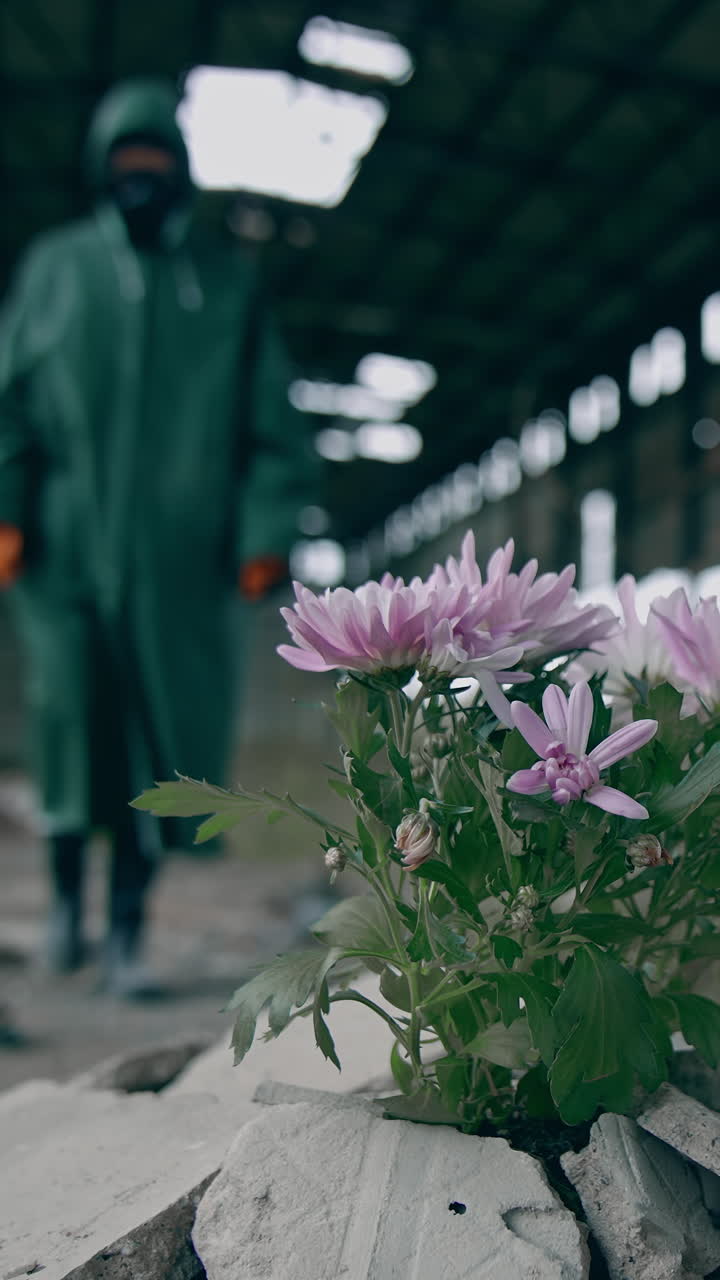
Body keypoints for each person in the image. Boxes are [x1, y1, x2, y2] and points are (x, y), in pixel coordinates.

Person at [0, 79, 316, 997]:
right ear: (103, 173)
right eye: (124, 165)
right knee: (71, 728)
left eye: (156, 165)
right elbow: (9, 402)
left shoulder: (222, 284)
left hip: (179, 563)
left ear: (180, 174)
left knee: (154, 747)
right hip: (61, 552)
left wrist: (265, 527)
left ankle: (128, 931)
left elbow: (276, 429)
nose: (140, 180)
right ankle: (66, 909)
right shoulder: (58, 269)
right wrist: (9, 507)